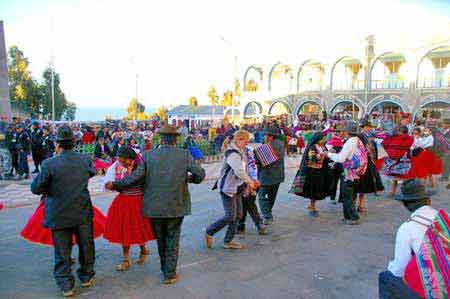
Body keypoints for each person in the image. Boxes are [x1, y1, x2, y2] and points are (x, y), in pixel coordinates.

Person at [105, 125, 205, 285]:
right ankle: (169, 273)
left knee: (161, 238)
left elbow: (135, 177)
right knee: (172, 238)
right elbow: (200, 174)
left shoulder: (148, 155)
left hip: (153, 206)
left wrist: (117, 185)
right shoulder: (184, 155)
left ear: (161, 139)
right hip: (176, 204)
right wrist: (188, 179)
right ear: (175, 139)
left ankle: (165, 269)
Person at [30, 125, 97, 297]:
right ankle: (86, 276)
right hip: (81, 211)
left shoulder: (49, 163)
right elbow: (92, 173)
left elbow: (36, 188)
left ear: (58, 144)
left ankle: (66, 285)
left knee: (62, 250)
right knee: (86, 246)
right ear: (74, 143)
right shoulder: (84, 159)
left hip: (58, 212)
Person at [378, 179, 436, 299]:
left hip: (436, 289)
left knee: (385, 277)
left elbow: (399, 269)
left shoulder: (408, 227)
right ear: (428, 200)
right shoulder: (443, 216)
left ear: (406, 204)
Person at [205, 130, 260, 250]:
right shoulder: (233, 153)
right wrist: (250, 182)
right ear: (239, 140)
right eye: (245, 141)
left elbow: (244, 170)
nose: (247, 144)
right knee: (230, 216)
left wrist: (248, 184)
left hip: (237, 188)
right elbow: (239, 171)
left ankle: (228, 241)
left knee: (238, 214)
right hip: (228, 188)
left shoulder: (240, 151)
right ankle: (210, 231)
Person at [103, 147, 154, 271]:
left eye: (122, 160)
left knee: (138, 228)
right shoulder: (118, 168)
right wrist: (112, 186)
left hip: (137, 201)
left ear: (129, 158)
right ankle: (126, 258)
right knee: (125, 229)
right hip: (124, 201)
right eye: (119, 160)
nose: (120, 162)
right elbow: (120, 185)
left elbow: (131, 181)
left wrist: (114, 185)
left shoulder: (140, 166)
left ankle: (142, 249)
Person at [326, 122, 368, 225]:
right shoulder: (358, 140)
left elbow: (341, 158)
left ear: (347, 132)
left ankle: (353, 217)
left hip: (348, 173)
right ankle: (347, 217)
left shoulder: (350, 142)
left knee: (347, 196)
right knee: (351, 195)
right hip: (355, 173)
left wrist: (329, 154)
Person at [354, 120, 384, 213]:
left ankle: (360, 205)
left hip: (368, 162)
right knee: (356, 185)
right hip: (359, 163)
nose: (370, 128)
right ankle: (354, 205)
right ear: (363, 127)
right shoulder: (358, 136)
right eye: (368, 126)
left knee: (364, 185)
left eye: (370, 126)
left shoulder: (370, 136)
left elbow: (372, 150)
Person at [257, 127, 285, 225]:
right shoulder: (281, 144)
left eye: (265, 135)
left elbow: (260, 161)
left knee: (262, 196)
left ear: (270, 137)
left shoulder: (268, 147)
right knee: (272, 196)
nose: (263, 137)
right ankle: (268, 213)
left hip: (266, 176)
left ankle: (267, 216)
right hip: (278, 176)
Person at [237, 144, 265, 236]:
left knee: (246, 204)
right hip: (252, 182)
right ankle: (257, 224)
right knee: (248, 204)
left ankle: (243, 226)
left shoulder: (243, 152)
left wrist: (250, 183)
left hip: (247, 183)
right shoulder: (250, 150)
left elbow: (248, 169)